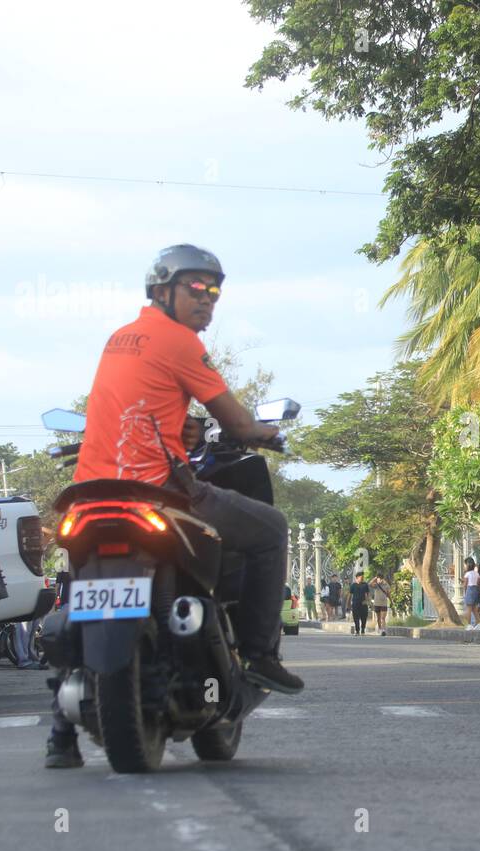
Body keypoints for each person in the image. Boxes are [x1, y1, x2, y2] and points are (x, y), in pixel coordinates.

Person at [46, 245, 302, 769]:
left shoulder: (120, 338)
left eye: (214, 291)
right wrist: (266, 435)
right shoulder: (181, 342)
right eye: (196, 289)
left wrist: (179, 427)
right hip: (157, 491)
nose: (207, 301)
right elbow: (235, 423)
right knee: (271, 529)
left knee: (72, 595)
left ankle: (59, 734)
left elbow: (138, 404)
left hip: (89, 493)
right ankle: (261, 655)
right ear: (162, 290)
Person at [462, 558, 480, 630]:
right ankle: (478, 623)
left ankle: (469, 624)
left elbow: (465, 584)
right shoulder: (476, 573)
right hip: (475, 590)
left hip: (469, 590)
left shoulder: (467, 574)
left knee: (469, 609)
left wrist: (465, 592)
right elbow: (478, 583)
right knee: (474, 609)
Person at [348, 571, 370, 635]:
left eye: (363, 577)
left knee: (364, 617)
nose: (362, 578)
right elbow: (350, 595)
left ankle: (363, 629)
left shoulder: (365, 585)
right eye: (361, 577)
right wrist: (348, 604)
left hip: (363, 604)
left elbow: (368, 594)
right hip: (355, 604)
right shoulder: (353, 585)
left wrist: (368, 601)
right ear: (357, 578)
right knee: (356, 617)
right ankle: (357, 630)